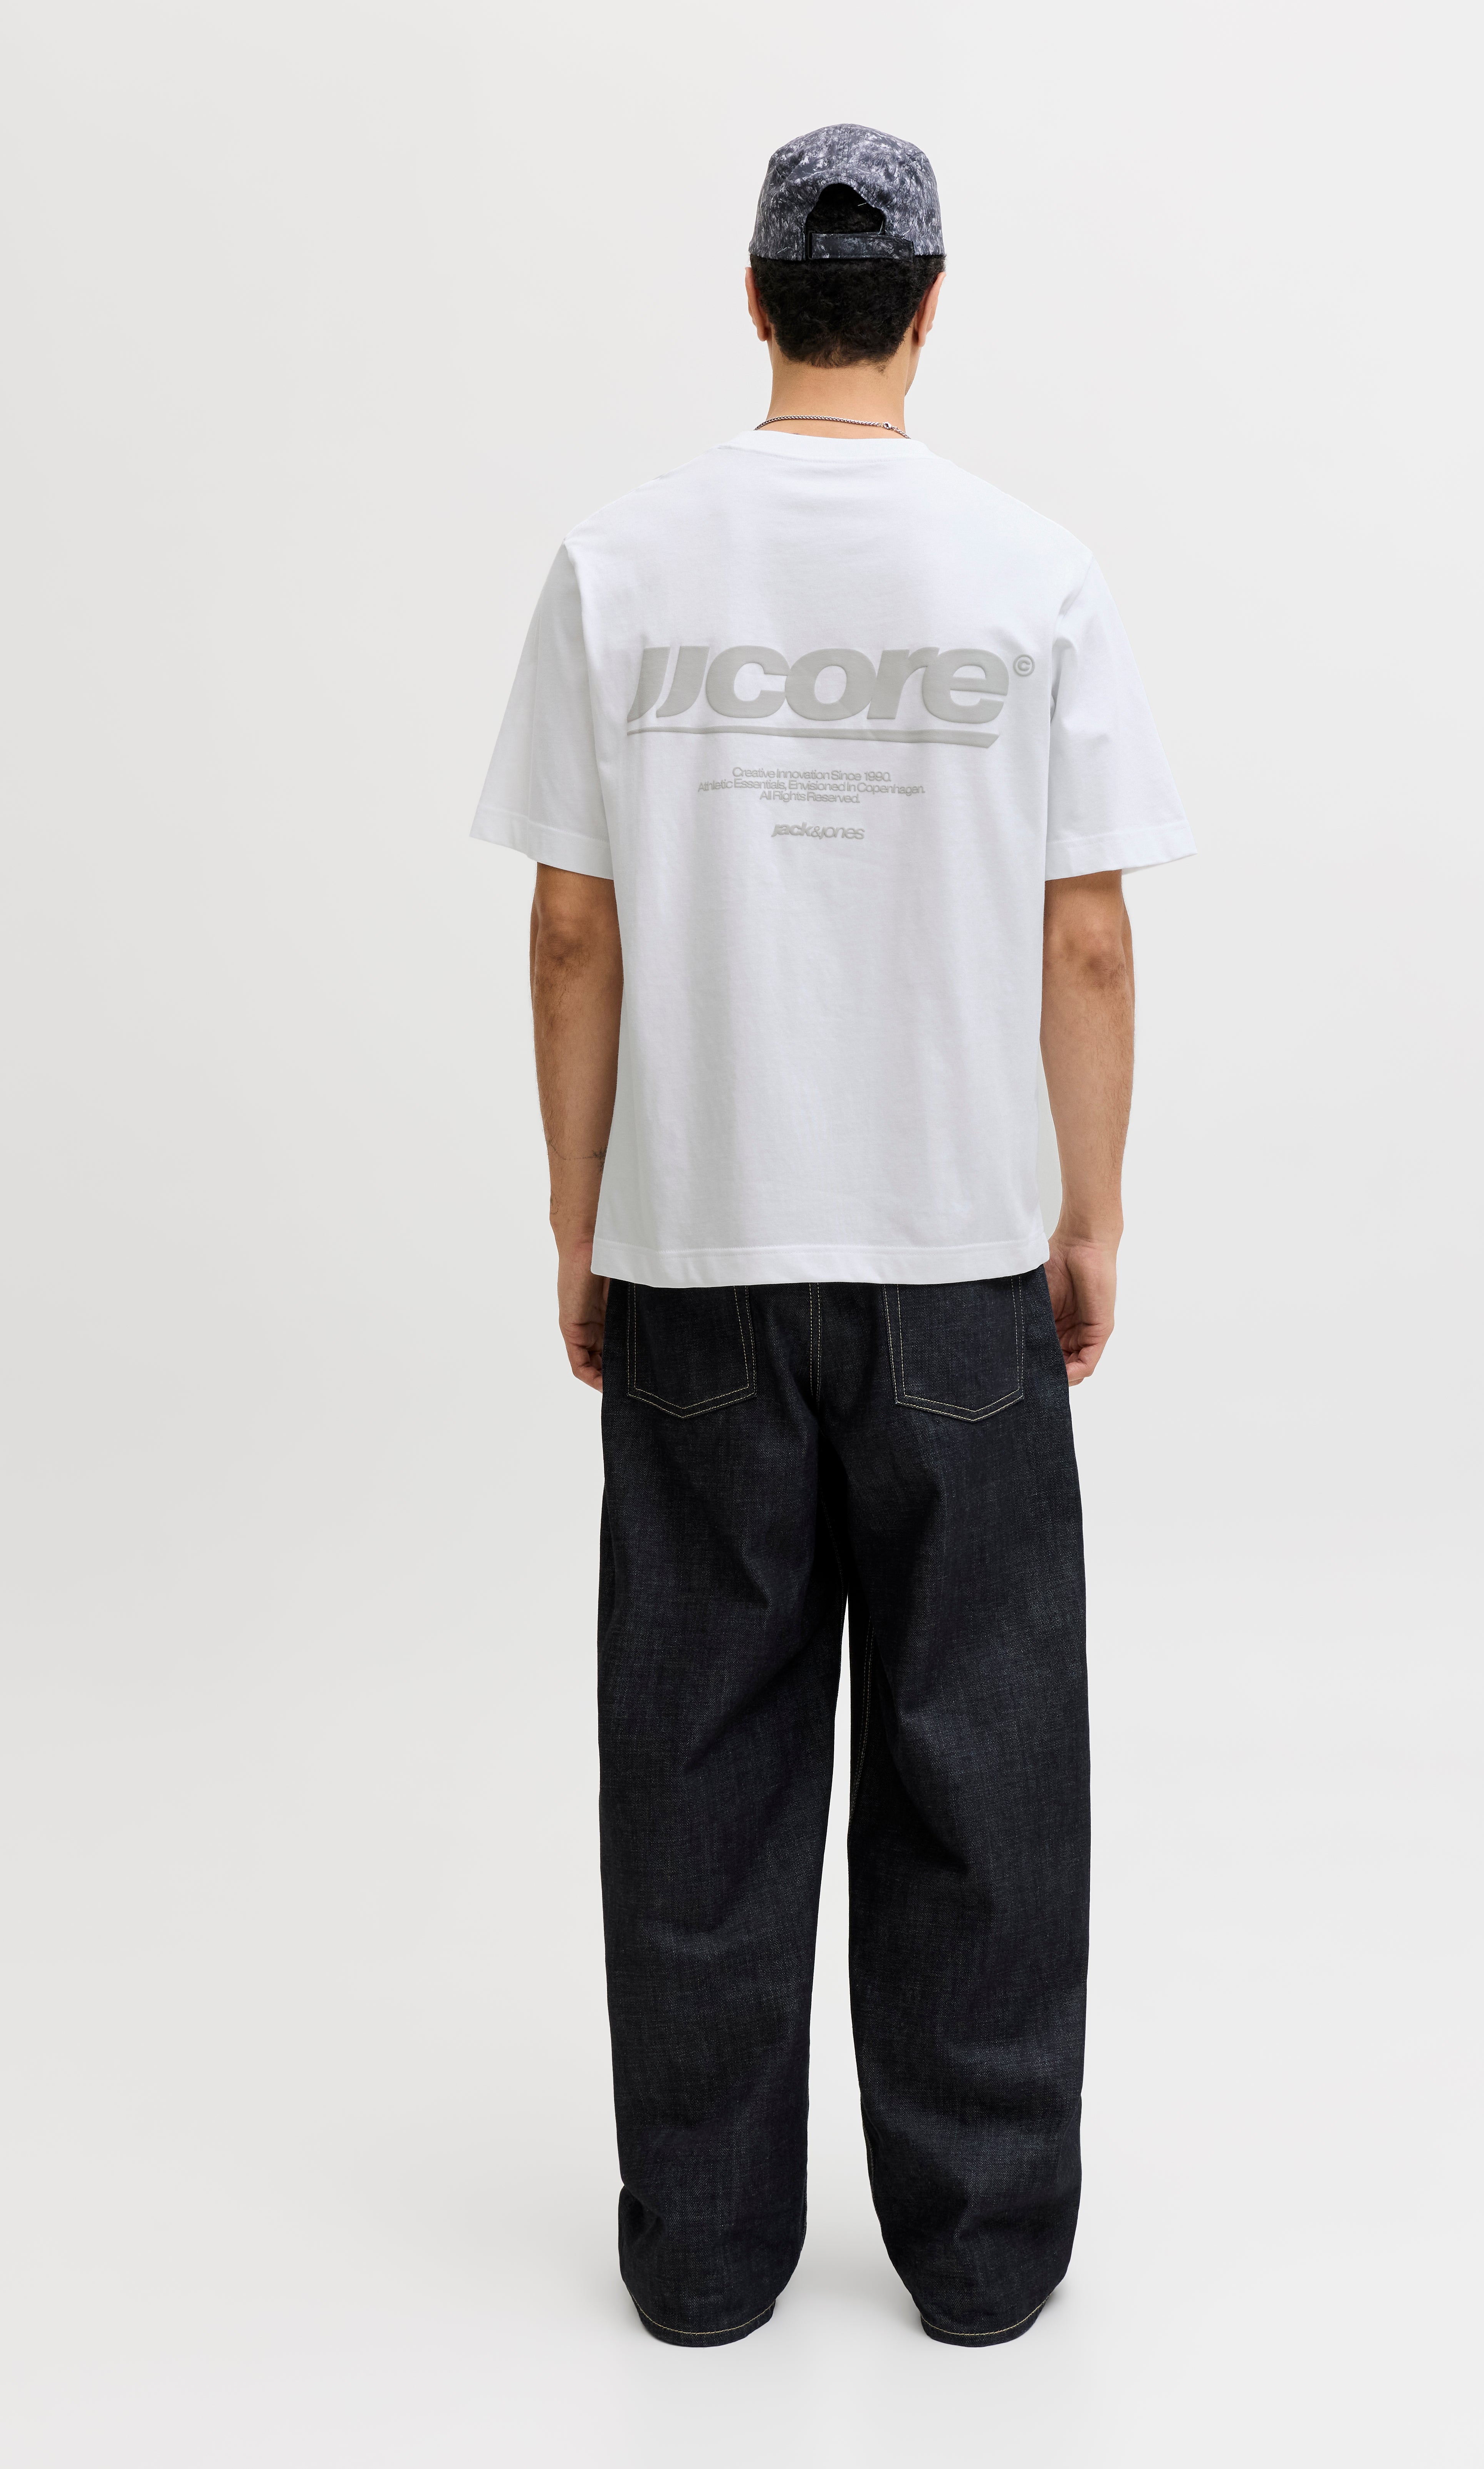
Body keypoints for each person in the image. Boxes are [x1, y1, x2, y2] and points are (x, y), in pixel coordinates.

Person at [471, 122, 1192, 2350]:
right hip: (958, 1260)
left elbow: (571, 930)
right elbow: (1086, 937)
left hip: (699, 1253)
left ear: (757, 296)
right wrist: (1089, 1212)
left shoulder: (621, 563)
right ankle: (981, 2263)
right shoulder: (1030, 573)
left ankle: (703, 2260)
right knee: (986, 1768)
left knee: (698, 1760)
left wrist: (584, 1214)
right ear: (931, 305)